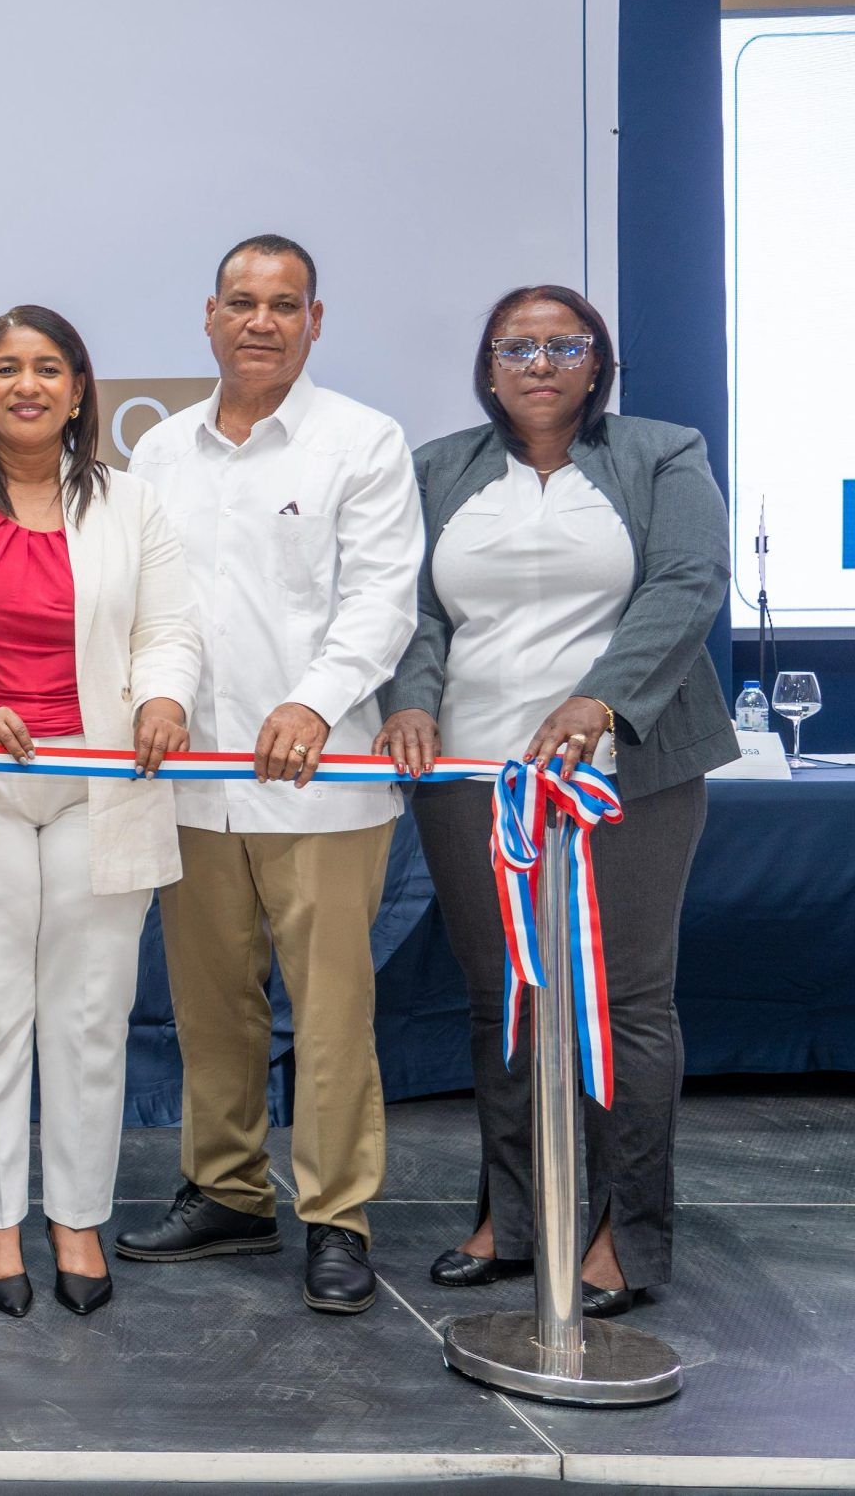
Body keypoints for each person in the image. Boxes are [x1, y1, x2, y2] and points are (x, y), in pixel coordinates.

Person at [377, 286, 735, 1318]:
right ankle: (516, 1217)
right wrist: (409, 704)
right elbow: (415, 612)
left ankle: (625, 1233)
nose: (538, 362)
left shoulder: (663, 453)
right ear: (488, 368)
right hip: (473, 779)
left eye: (561, 345)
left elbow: (685, 581)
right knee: (505, 999)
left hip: (622, 776)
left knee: (624, 1004)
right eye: (515, 347)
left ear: (596, 363)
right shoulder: (438, 469)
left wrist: (600, 700)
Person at [116, 235, 423, 1315]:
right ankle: (227, 1190)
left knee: (331, 1014)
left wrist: (312, 700)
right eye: (240, 303)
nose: (259, 321)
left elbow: (384, 600)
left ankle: (336, 1215)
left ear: (314, 320)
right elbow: (146, 608)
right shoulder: (156, 452)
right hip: (192, 780)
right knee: (209, 1006)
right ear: (207, 316)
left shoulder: (363, 442)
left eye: (281, 305)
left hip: (322, 780)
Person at [0, 306, 201, 1320]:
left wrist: (164, 696)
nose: (28, 384)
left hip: (101, 779)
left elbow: (169, 629)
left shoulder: (130, 503)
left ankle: (75, 1217)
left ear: (77, 389)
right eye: (6, 368)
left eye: (48, 368)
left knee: (88, 1014)